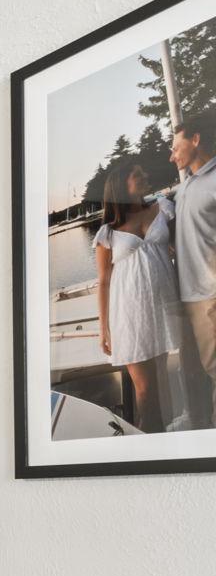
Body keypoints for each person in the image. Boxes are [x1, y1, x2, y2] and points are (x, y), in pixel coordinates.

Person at [92, 158, 177, 430]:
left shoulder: (162, 208)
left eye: (143, 172)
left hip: (162, 309)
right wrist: (103, 328)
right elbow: (103, 281)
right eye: (137, 175)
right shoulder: (108, 233)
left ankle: (165, 442)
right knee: (145, 391)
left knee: (161, 384)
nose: (144, 176)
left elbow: (179, 248)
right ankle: (151, 447)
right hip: (129, 316)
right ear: (122, 186)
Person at [171, 108, 216, 429]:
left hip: (209, 296)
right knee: (192, 369)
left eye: (176, 147)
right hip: (185, 298)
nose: (172, 155)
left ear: (196, 140)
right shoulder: (185, 186)